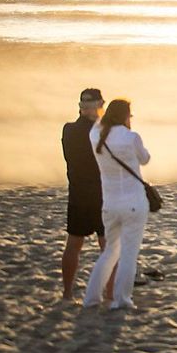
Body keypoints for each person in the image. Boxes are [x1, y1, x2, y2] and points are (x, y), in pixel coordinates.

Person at [82, 99, 151, 310]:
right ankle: (122, 299)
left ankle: (92, 297)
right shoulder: (131, 137)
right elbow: (145, 159)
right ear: (125, 116)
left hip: (110, 203)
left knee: (110, 250)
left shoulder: (96, 136)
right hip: (133, 202)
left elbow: (99, 123)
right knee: (129, 253)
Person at [61, 88, 113, 301]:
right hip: (102, 194)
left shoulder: (69, 129)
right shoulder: (105, 130)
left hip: (78, 193)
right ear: (99, 106)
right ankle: (110, 294)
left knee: (74, 245)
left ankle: (67, 293)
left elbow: (69, 158)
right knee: (107, 247)